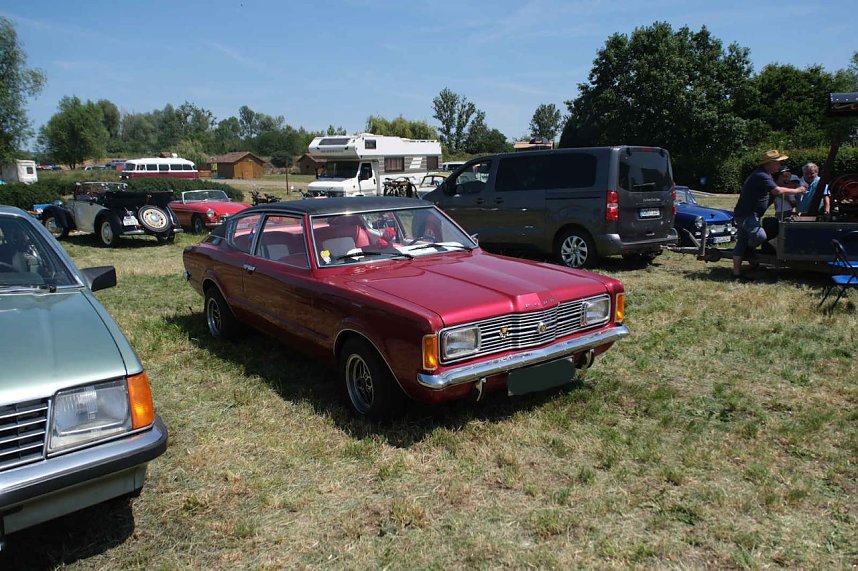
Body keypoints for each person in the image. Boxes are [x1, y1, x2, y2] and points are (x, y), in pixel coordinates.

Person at [732, 150, 806, 280]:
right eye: (778, 163)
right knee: (760, 236)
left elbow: (773, 190)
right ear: (770, 163)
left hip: (747, 214)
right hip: (747, 214)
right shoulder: (762, 175)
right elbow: (777, 190)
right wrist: (797, 190)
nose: (779, 166)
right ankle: (748, 250)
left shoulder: (765, 175)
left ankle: (736, 273)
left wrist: (785, 183)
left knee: (741, 242)